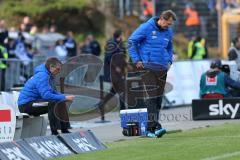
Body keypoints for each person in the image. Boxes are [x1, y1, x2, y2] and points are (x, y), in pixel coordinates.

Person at [128, 10, 177, 138]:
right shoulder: (146, 27)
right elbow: (131, 42)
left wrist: (169, 60)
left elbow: (170, 47)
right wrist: (137, 60)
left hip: (162, 68)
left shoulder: (168, 32)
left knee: (159, 99)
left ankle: (155, 126)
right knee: (151, 97)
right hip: (147, 67)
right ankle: (151, 128)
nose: (168, 26)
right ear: (161, 18)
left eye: (170, 24)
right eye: (168, 23)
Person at [18, 57, 75, 135]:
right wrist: (64, 97)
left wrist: (64, 97)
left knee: (61, 101)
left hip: (34, 102)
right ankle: (54, 132)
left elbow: (52, 91)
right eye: (58, 69)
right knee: (52, 103)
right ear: (51, 67)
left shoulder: (48, 75)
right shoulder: (43, 75)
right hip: (26, 105)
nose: (59, 71)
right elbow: (46, 95)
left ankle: (65, 130)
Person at [96, 29, 127, 121]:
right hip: (112, 71)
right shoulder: (111, 44)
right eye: (122, 34)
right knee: (122, 90)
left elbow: (123, 55)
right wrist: (115, 67)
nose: (123, 36)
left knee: (114, 91)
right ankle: (123, 113)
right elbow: (109, 57)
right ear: (119, 35)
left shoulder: (121, 44)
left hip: (120, 71)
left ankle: (101, 104)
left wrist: (125, 65)